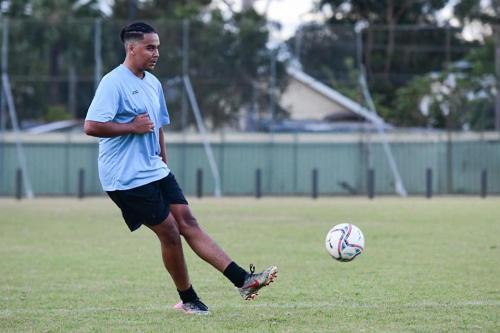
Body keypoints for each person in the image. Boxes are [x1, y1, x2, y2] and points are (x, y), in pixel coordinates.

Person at [84, 22, 277, 315]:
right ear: (131, 47)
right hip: (125, 177)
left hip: (154, 170)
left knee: (189, 222)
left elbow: (157, 124)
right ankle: (188, 299)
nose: (156, 53)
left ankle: (244, 280)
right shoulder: (113, 82)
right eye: (150, 47)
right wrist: (130, 127)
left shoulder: (152, 83)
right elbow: (91, 126)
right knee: (171, 232)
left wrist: (162, 155)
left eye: (158, 47)